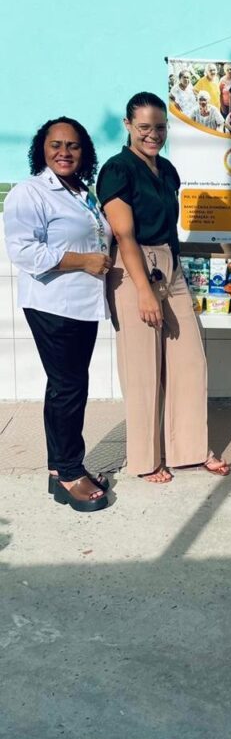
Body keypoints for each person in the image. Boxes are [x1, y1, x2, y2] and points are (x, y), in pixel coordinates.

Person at [96, 92, 230, 482]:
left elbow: (170, 226)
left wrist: (173, 271)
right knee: (142, 368)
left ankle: (189, 449)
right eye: (143, 127)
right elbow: (124, 234)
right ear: (127, 126)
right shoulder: (117, 170)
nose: (152, 134)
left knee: (190, 360)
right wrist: (142, 290)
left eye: (159, 127)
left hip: (169, 265)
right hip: (133, 266)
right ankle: (146, 460)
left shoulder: (167, 170)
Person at [4, 118, 113, 512]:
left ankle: (59, 468)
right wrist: (83, 261)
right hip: (53, 303)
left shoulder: (82, 192)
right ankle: (69, 473)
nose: (64, 152)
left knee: (66, 385)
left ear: (84, 152)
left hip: (81, 304)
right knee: (69, 387)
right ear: (42, 149)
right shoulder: (29, 192)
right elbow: (23, 251)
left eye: (73, 145)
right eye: (56, 145)